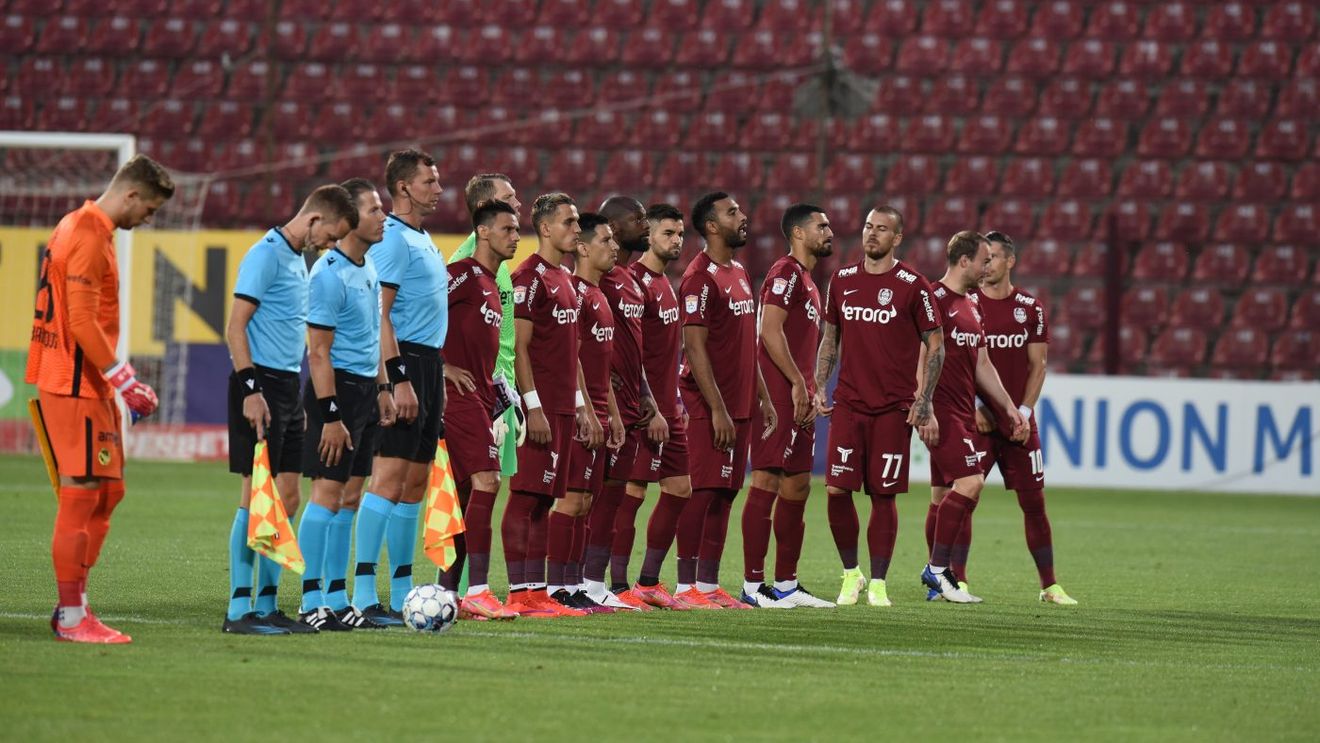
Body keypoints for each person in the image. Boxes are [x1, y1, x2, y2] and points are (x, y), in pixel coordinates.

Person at [27, 154, 174, 643]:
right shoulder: (88, 233)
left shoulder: (81, 225)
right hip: (73, 381)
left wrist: (114, 379)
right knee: (83, 491)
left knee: (108, 491)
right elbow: (81, 321)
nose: (146, 220)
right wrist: (124, 378)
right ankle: (72, 615)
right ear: (131, 194)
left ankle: (75, 604)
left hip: (85, 380)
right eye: (148, 210)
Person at [223, 184, 358, 634]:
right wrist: (249, 389)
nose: (332, 245)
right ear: (315, 219)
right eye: (331, 235)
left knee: (287, 498)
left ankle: (266, 605)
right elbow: (235, 328)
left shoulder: (298, 258)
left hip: (286, 386)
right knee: (255, 498)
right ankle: (239, 611)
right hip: (258, 384)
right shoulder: (265, 254)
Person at [813, 206, 943, 608]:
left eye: (882, 229)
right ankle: (852, 573)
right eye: (868, 226)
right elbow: (830, 337)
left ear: (897, 238)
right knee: (836, 490)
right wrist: (819, 383)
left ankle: (880, 581)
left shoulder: (913, 286)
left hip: (892, 408)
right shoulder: (843, 279)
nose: (872, 234)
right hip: (849, 403)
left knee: (883, 496)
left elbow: (936, 345)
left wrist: (924, 400)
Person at [351, 149, 447, 626]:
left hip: (429, 364)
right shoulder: (392, 239)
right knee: (388, 478)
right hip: (403, 362)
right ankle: (364, 593)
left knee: (413, 484)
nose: (439, 188)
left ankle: (404, 589)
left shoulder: (422, 237)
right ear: (404, 187)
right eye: (430, 181)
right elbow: (380, 315)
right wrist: (396, 378)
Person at [297, 178, 392, 631]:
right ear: (351, 219)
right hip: (332, 396)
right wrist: (331, 414)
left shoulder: (367, 267)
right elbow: (318, 352)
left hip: (364, 393)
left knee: (351, 496)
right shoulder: (328, 273)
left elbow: (371, 338)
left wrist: (383, 388)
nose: (383, 216)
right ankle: (309, 598)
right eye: (375, 210)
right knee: (327, 493)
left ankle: (336, 597)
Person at [674, 191, 775, 610]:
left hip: (740, 404)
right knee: (703, 491)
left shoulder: (738, 273)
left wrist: (764, 397)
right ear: (712, 226)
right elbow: (693, 348)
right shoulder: (700, 277)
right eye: (732, 212)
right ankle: (685, 587)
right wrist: (715, 408)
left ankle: (709, 583)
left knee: (726, 493)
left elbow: (745, 345)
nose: (743, 216)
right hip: (709, 405)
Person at [965, 231, 1077, 605]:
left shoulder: (1030, 307)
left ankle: (1049, 585)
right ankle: (956, 581)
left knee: (1034, 503)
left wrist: (1024, 414)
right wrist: (977, 408)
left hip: (1018, 425)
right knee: (962, 498)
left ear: (1010, 261)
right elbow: (959, 366)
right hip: (978, 421)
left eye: (994, 257)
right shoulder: (968, 305)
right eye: (984, 257)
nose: (987, 264)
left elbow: (1038, 365)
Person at [919, 230, 1028, 604]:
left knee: (940, 496)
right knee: (971, 483)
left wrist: (1009, 407)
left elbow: (983, 362)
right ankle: (938, 571)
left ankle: (939, 579)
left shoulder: (971, 305)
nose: (987, 268)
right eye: (983, 260)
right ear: (964, 260)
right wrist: (925, 406)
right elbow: (920, 357)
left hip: (962, 410)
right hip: (941, 410)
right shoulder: (932, 300)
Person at [504, 192, 595, 618]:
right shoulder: (528, 278)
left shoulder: (565, 280)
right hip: (537, 409)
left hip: (561, 408)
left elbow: (572, 353)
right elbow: (520, 347)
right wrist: (532, 406)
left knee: (543, 501)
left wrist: (579, 406)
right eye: (569, 222)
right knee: (524, 498)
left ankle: (538, 593)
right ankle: (519, 593)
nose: (577, 229)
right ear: (544, 228)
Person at [741, 204, 835, 609]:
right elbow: (768, 330)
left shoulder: (808, 281)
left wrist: (812, 387)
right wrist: (797, 382)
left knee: (797, 485)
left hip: (799, 394)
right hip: (778, 394)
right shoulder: (784, 273)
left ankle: (787, 584)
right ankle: (752, 584)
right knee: (766, 480)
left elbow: (801, 342)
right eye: (821, 226)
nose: (829, 231)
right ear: (798, 233)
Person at [442, 200, 521, 620]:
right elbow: (409, 315)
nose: (516, 236)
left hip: (481, 394)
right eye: (508, 229)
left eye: (517, 229)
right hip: (458, 396)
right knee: (487, 481)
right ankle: (478, 590)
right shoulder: (464, 275)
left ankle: (446, 591)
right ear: (483, 233)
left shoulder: (492, 283)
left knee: (466, 493)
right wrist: (442, 366)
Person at [581, 196, 658, 611]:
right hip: (601, 403)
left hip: (628, 403)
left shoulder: (629, 280)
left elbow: (632, 347)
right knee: (587, 495)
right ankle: (570, 580)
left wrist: (644, 393)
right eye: (636, 218)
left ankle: (594, 582)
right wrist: (606, 399)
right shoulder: (597, 281)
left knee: (613, 496)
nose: (644, 224)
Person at [549, 212, 625, 613]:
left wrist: (611, 412)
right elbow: (572, 360)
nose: (613, 247)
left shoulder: (598, 294)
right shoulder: (576, 294)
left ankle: (575, 584)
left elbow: (603, 367)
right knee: (570, 502)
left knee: (585, 503)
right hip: (580, 414)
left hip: (597, 412)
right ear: (582, 247)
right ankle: (555, 588)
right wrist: (588, 412)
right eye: (605, 240)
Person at [623, 204, 696, 610]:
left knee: (680, 489)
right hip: (644, 411)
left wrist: (676, 401)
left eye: (680, 234)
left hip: (670, 407)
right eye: (668, 233)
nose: (676, 240)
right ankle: (614, 584)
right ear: (647, 235)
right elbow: (631, 355)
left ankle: (649, 581)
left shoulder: (668, 283)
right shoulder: (634, 282)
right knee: (630, 492)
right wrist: (648, 409)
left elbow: (668, 353)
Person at [447, 173, 524, 487]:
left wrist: (510, 392)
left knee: (483, 486)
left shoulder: (498, 266)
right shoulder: (464, 264)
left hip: (498, 390)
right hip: (470, 393)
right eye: (508, 200)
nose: (518, 205)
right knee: (473, 484)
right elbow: (421, 318)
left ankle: (462, 539)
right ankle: (445, 539)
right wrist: (441, 367)